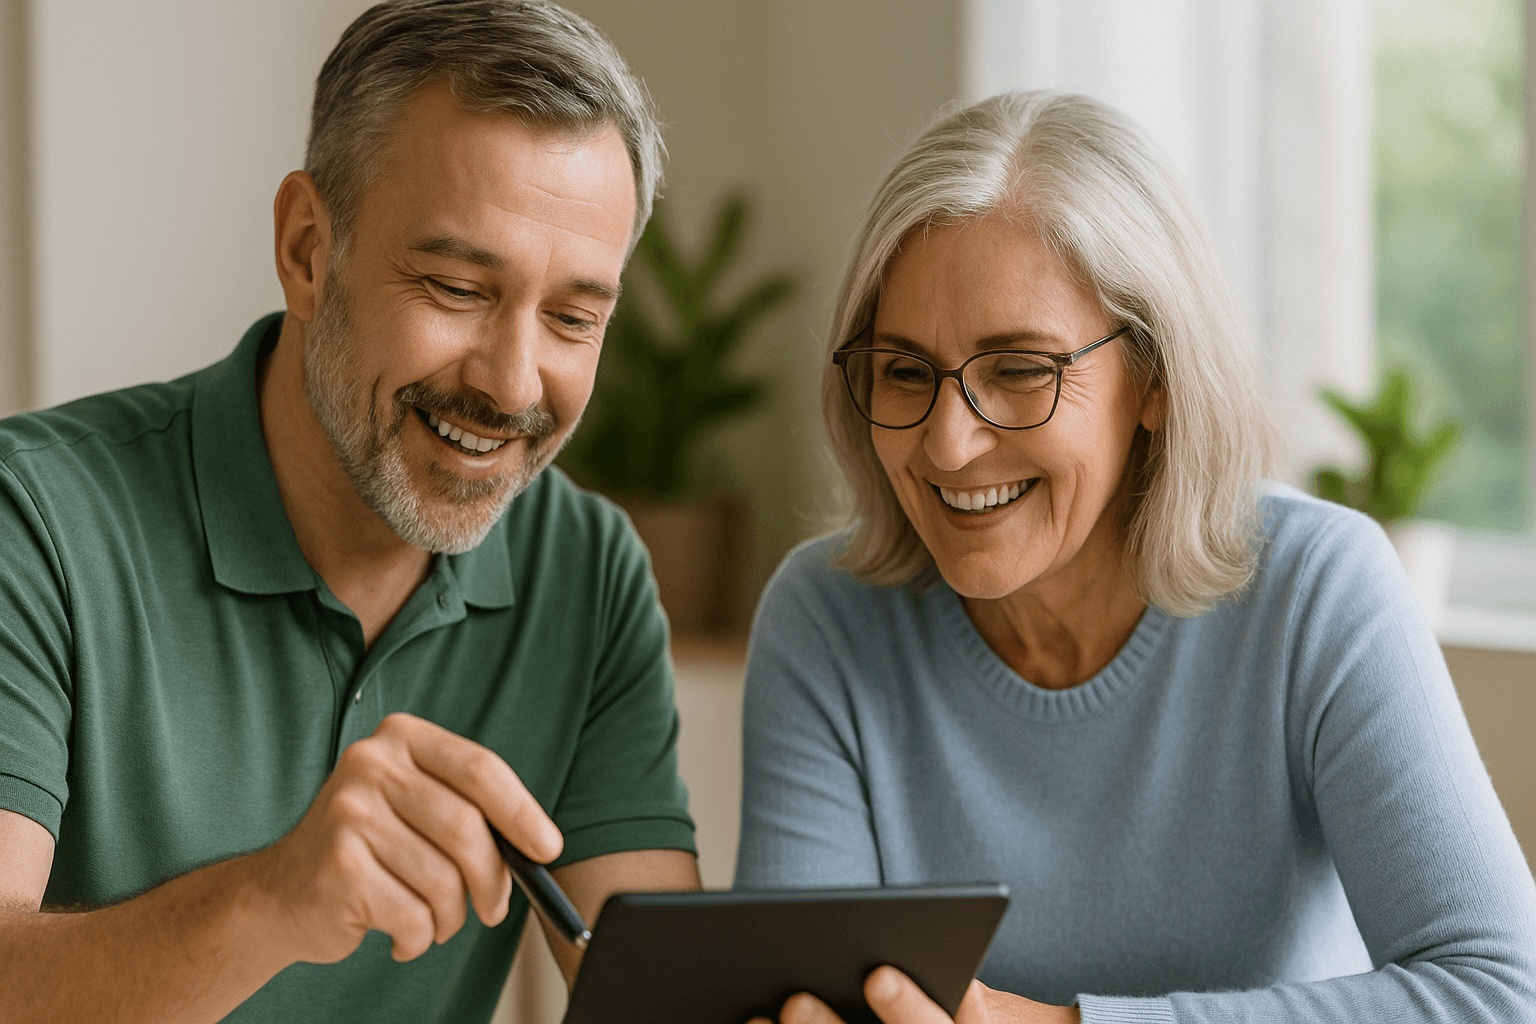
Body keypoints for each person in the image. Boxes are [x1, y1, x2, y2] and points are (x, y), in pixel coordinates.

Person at [736, 91, 1536, 1024]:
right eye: (906, 371)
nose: (948, 446)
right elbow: (805, 1007)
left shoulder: (1320, 591)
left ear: (1154, 378)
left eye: (1022, 370)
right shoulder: (826, 618)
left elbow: (1499, 992)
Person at [0, 2, 702, 1021]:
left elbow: (656, 993)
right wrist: (272, 901)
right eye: (457, 286)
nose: (512, 384)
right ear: (306, 250)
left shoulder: (584, 567)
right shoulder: (36, 519)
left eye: (572, 318)